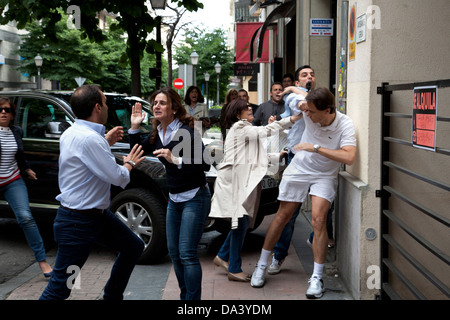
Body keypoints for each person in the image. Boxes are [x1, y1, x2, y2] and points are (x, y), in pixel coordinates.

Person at [40, 85, 145, 300]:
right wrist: (130, 163)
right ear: (98, 107)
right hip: (78, 223)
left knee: (133, 246)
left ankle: (112, 296)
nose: (106, 107)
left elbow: (85, 160)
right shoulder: (90, 139)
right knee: (61, 288)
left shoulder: (74, 133)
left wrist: (105, 141)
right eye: (105, 103)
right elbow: (117, 176)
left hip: (94, 217)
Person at [251, 87, 356, 300]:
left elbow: (349, 157)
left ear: (328, 110)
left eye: (312, 112)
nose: (307, 115)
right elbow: (293, 98)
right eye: (306, 110)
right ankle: (261, 265)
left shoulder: (345, 124)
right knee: (282, 217)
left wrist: (315, 148)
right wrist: (293, 92)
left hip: (324, 175)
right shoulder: (306, 107)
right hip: (298, 169)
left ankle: (317, 278)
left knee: (318, 220)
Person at [129, 87, 211, 300]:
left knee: (187, 254)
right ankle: (186, 297)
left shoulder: (186, 132)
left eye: (162, 103)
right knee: (174, 253)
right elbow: (136, 151)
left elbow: (205, 164)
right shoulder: (158, 133)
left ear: (174, 108)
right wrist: (134, 128)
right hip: (174, 200)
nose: (157, 106)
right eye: (155, 102)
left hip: (195, 197)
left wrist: (176, 160)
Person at [209, 99, 301, 282]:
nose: (250, 108)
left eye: (250, 107)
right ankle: (233, 268)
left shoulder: (246, 130)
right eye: (245, 107)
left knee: (241, 223)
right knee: (239, 224)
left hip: (240, 183)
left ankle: (222, 256)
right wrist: (291, 119)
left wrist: (277, 155)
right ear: (238, 114)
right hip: (235, 184)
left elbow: (257, 155)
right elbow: (265, 131)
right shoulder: (240, 127)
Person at [268, 65, 317, 275]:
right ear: (297, 81)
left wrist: (296, 90)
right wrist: (296, 93)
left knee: (324, 213)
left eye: (312, 75)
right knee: (289, 213)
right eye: (304, 75)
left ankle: (315, 242)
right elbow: (305, 106)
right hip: (297, 159)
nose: (309, 77)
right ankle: (278, 256)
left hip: (319, 161)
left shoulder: (317, 97)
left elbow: (322, 105)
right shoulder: (291, 98)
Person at [0, 96, 53, 278]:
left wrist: (27, 169)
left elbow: (19, 155)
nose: (3, 112)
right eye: (0, 109)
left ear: (13, 114)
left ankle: (43, 262)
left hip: (12, 180)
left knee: (25, 217)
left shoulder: (16, 131)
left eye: (7, 110)